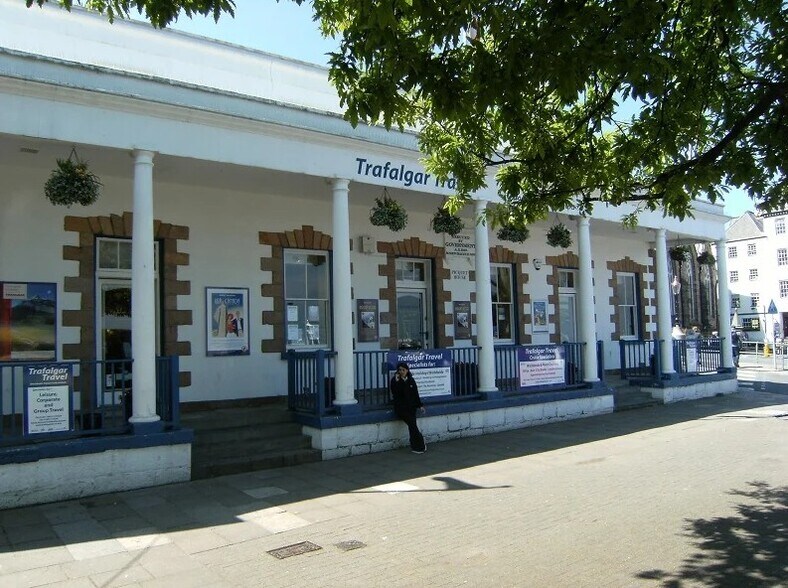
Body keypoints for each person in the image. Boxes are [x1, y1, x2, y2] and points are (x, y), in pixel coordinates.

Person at [390, 362, 427, 454]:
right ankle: (421, 445)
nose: (402, 372)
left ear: (407, 370)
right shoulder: (395, 381)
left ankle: (416, 446)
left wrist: (420, 405)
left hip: (411, 407)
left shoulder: (411, 380)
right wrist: (397, 381)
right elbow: (395, 392)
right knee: (413, 425)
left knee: (412, 426)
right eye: (400, 370)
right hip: (401, 408)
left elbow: (415, 394)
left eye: (403, 370)